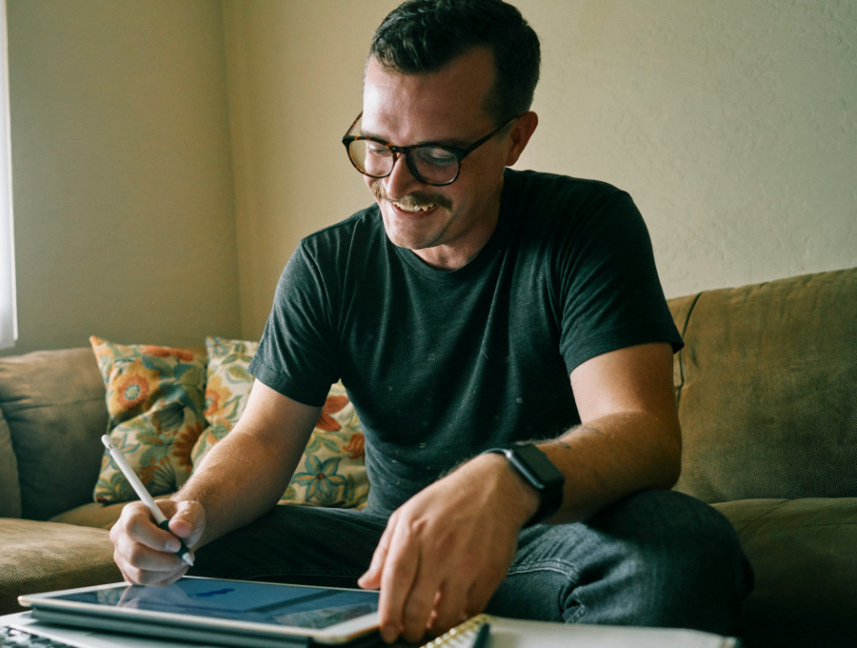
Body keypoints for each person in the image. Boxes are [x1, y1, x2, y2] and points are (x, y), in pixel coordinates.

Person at [109, 0, 751, 643]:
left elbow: (642, 433)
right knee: (202, 559)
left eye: (438, 155)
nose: (396, 182)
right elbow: (264, 441)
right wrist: (184, 516)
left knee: (680, 544)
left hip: (551, 547)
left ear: (514, 138)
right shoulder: (327, 262)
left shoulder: (586, 225)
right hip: (384, 556)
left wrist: (510, 477)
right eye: (379, 146)